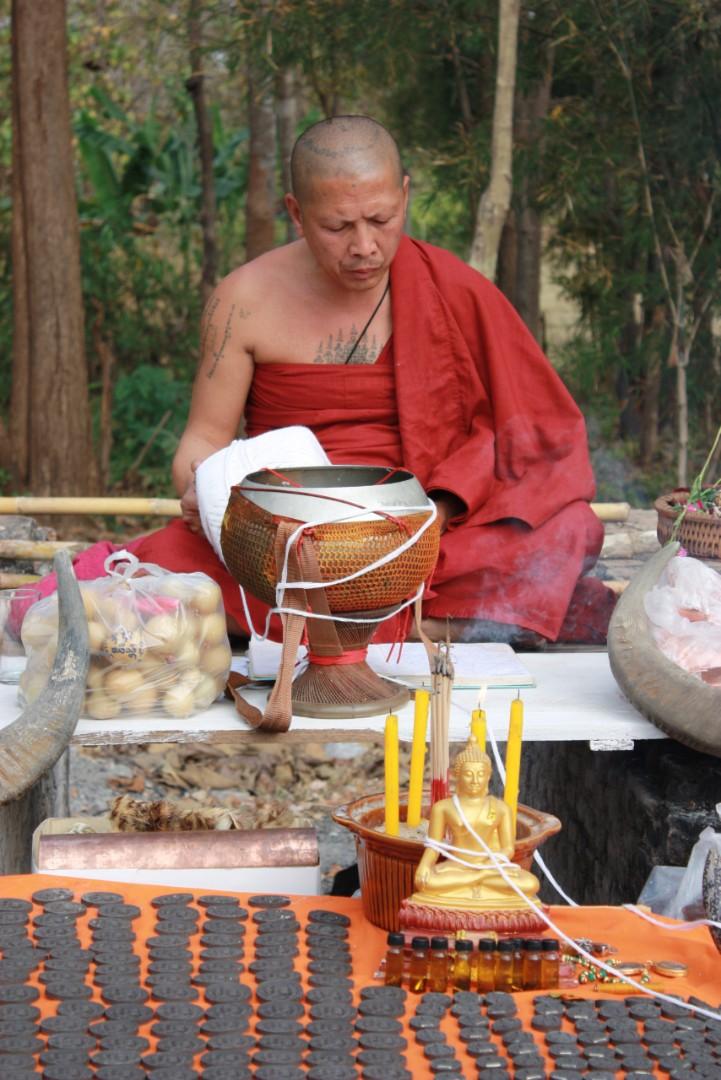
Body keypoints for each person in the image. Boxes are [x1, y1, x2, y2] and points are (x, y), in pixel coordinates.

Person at [25, 114, 612, 647]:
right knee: (162, 576)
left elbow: (529, 431)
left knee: (566, 527)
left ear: (405, 194)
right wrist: (207, 490)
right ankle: (429, 624)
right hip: (288, 538)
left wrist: (433, 507)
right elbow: (202, 444)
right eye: (337, 226)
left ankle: (362, 619)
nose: (365, 247)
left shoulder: (452, 288)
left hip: (422, 527)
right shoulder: (244, 301)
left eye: (382, 219)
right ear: (296, 212)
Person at [410, 736, 540, 909]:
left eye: (480, 774)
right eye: (468, 774)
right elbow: (434, 845)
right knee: (427, 882)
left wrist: (486, 867)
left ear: (488, 776)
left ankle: (475, 882)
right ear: (457, 775)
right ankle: (479, 881)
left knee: (530, 884)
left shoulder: (500, 808)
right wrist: (424, 865)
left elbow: (508, 849)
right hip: (458, 866)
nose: (475, 780)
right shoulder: (443, 807)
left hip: (491, 866)